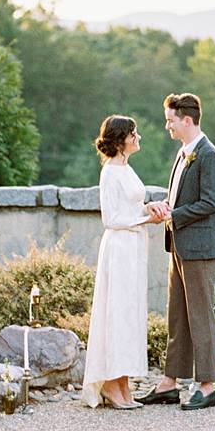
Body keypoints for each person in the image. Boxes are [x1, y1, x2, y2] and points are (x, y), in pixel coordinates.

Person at [137, 92, 215, 411]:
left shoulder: (208, 154)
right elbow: (181, 196)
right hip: (178, 244)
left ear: (187, 120)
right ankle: (170, 382)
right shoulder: (183, 152)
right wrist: (165, 208)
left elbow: (211, 202)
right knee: (177, 316)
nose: (167, 126)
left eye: (170, 120)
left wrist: (175, 215)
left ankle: (208, 385)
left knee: (201, 316)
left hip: (200, 248)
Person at [81, 115, 168, 409]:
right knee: (118, 313)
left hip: (134, 247)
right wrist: (146, 217)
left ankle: (123, 384)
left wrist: (149, 207)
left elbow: (129, 206)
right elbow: (111, 218)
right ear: (121, 139)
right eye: (134, 133)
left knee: (131, 314)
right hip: (119, 249)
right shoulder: (110, 173)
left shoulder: (126, 169)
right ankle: (110, 382)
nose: (138, 136)